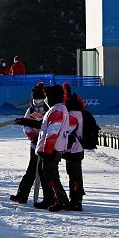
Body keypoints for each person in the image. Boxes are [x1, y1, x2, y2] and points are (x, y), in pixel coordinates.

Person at [34, 85, 72, 211]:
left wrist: (47, 149)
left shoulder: (57, 110)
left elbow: (53, 132)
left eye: (47, 96)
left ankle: (61, 200)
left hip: (51, 149)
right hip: (51, 148)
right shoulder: (57, 109)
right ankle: (49, 198)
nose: (45, 99)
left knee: (51, 175)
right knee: (44, 173)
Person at [9, 82, 47, 203]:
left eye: (40, 98)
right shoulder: (30, 110)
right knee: (31, 171)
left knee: (45, 173)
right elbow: (26, 126)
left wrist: (42, 137)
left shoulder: (49, 109)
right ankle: (22, 195)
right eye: (36, 98)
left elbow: (49, 125)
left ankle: (50, 197)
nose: (38, 101)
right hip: (35, 145)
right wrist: (33, 137)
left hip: (47, 145)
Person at [62, 83, 86, 211]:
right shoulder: (78, 111)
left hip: (73, 148)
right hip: (77, 148)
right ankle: (76, 199)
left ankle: (76, 201)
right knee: (75, 175)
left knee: (74, 175)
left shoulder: (73, 114)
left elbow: (68, 129)